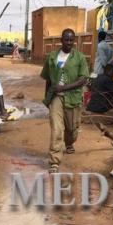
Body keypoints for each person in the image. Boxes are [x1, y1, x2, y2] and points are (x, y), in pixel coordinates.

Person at [40, 28, 90, 173]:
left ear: (74, 41)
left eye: (71, 40)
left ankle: (69, 143)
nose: (69, 42)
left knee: (72, 129)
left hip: (73, 97)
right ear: (61, 40)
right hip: (56, 97)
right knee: (56, 128)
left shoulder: (79, 57)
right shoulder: (52, 57)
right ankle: (54, 161)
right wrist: (47, 99)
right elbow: (48, 79)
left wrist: (64, 87)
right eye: (66, 39)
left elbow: (83, 80)